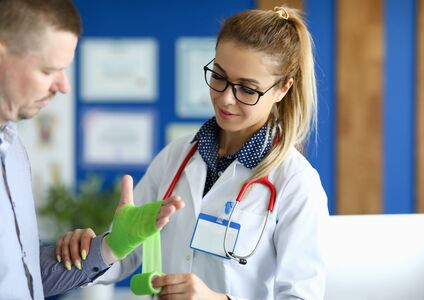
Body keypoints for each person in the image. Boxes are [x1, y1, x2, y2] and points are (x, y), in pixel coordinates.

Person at [59, 6, 329, 299]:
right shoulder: (176, 157)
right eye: (219, 77)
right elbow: (123, 258)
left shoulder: (296, 183)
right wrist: (93, 250)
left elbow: (302, 295)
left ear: (283, 89)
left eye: (247, 90)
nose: (226, 99)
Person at [0, 0, 183, 299]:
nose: (63, 86)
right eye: (49, 70)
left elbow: (21, 279)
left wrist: (109, 248)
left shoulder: (14, 150)